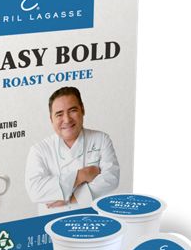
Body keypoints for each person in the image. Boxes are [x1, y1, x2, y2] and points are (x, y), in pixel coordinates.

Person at [25, 86, 120, 215]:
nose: (67, 119)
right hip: (50, 220)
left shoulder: (101, 139)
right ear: (51, 119)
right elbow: (35, 191)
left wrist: (71, 199)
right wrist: (82, 175)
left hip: (92, 217)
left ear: (83, 110)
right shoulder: (39, 150)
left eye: (72, 110)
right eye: (59, 114)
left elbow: (111, 178)